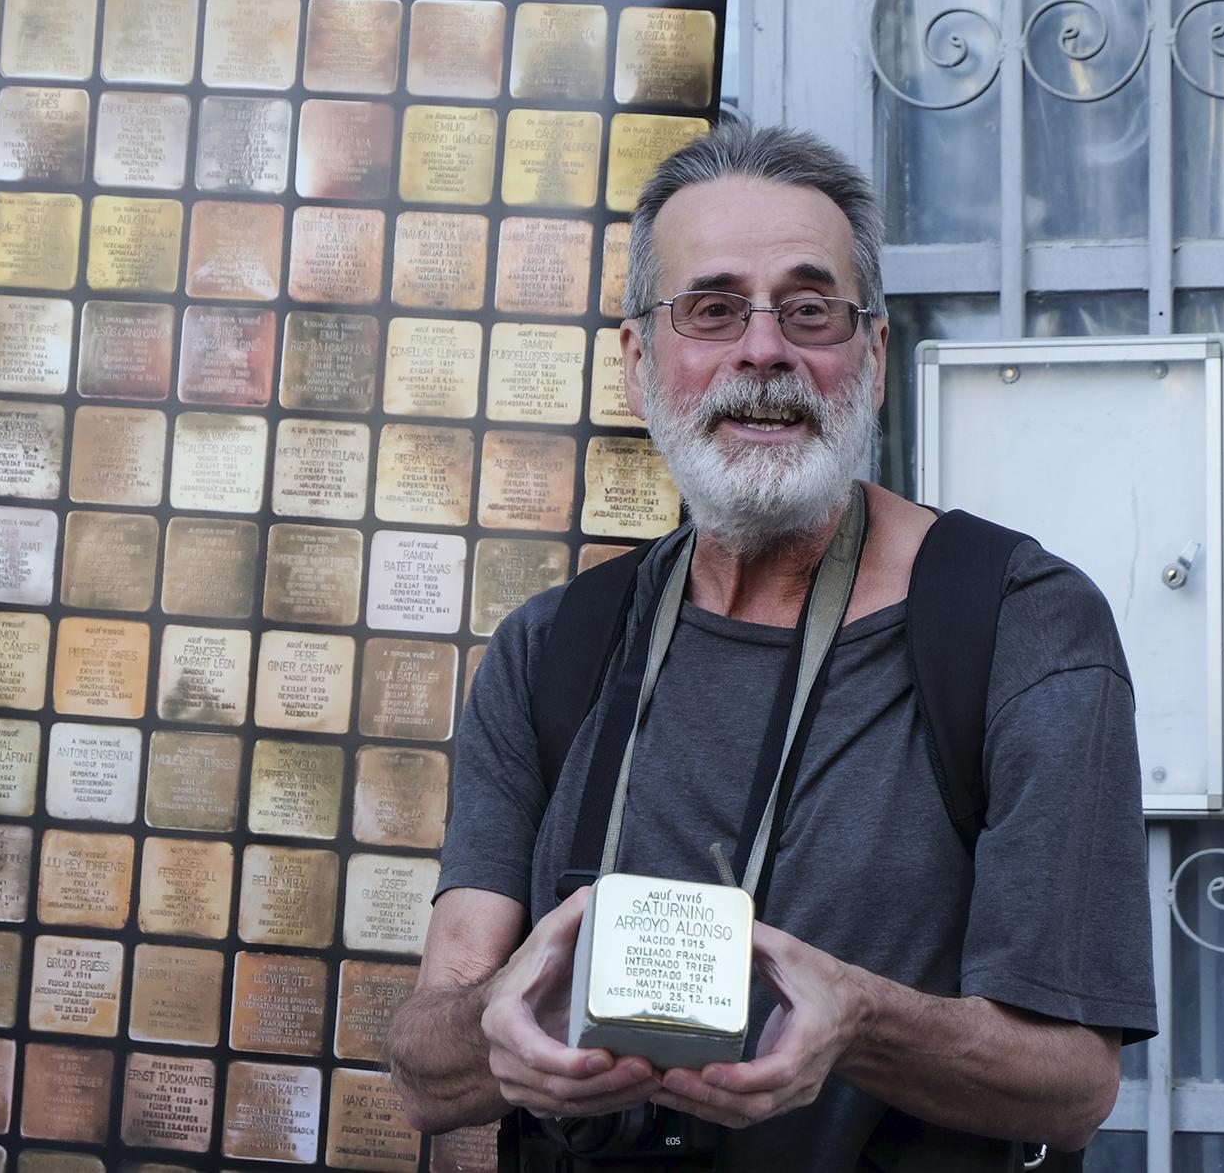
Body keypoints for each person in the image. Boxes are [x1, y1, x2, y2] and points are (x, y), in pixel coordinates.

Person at [387, 124, 1156, 1170]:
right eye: (711, 309)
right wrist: (504, 1026)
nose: (762, 350)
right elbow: (422, 1067)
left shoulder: (1018, 624)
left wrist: (862, 1022)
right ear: (636, 359)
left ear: (871, 355)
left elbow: (1073, 1082)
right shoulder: (549, 648)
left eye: (808, 309)